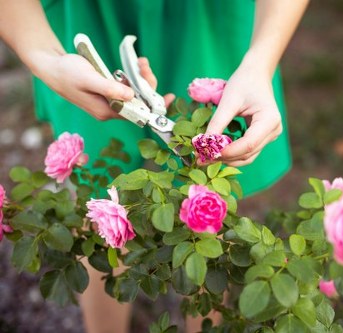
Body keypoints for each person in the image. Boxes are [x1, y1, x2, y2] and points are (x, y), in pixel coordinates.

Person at [0, 0, 309, 332]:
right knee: (99, 206)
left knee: (211, 205)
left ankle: (204, 322)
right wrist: (48, 59)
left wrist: (259, 62)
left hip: (206, 19)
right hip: (92, 14)